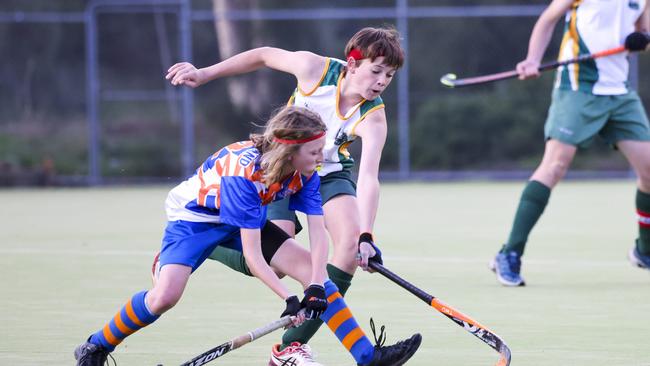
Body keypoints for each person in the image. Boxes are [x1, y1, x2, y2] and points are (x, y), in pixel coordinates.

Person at [165, 27, 422, 365]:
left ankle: (290, 347)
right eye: (376, 71)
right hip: (284, 167)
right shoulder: (314, 70)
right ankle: (211, 244)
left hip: (328, 174)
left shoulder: (373, 116)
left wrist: (366, 235)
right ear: (353, 64)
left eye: (389, 75)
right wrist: (205, 73)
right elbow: (262, 55)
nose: (382, 81)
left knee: (346, 249)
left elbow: (369, 177)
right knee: (278, 256)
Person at [75, 106, 331, 365]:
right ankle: (97, 345)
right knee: (164, 298)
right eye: (314, 151)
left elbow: (318, 232)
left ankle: (345, 354)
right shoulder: (243, 175)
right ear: (289, 152)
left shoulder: (306, 173)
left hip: (243, 219)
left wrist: (316, 286)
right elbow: (253, 257)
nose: (321, 157)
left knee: (313, 269)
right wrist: (289, 298)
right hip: (195, 220)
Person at [490, 0, 650, 287]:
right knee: (555, 166)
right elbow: (548, 18)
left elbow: (644, 32)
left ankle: (645, 250)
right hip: (578, 87)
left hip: (619, 92)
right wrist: (532, 59)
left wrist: (642, 40)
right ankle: (509, 252)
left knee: (649, 170)